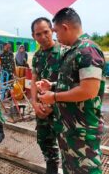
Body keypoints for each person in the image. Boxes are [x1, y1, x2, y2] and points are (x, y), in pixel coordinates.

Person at [38, 8, 105, 174]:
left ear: (65, 27)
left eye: (56, 31)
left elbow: (89, 90)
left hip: (82, 130)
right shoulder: (73, 51)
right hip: (69, 129)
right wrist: (52, 85)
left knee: (87, 170)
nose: (56, 36)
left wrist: (53, 96)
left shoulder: (87, 50)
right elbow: (74, 82)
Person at [31, 17, 63, 174]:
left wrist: (53, 104)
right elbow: (33, 81)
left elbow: (71, 84)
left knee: (67, 143)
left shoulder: (64, 52)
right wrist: (35, 104)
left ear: (52, 31)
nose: (43, 37)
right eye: (38, 34)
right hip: (42, 108)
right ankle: (52, 168)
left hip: (61, 108)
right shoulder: (37, 56)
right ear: (33, 36)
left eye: (46, 32)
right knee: (44, 141)